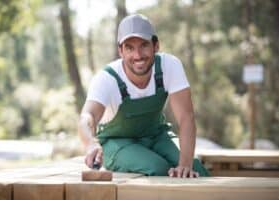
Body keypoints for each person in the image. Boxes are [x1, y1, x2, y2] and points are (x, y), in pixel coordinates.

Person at [78, 14, 209, 178]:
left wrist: (185, 165)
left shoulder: (169, 66)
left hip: (157, 135)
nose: (138, 55)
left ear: (156, 45)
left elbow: (186, 117)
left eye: (144, 45)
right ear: (121, 51)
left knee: (195, 168)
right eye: (129, 48)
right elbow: (87, 117)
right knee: (157, 169)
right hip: (117, 142)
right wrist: (90, 143)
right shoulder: (107, 78)